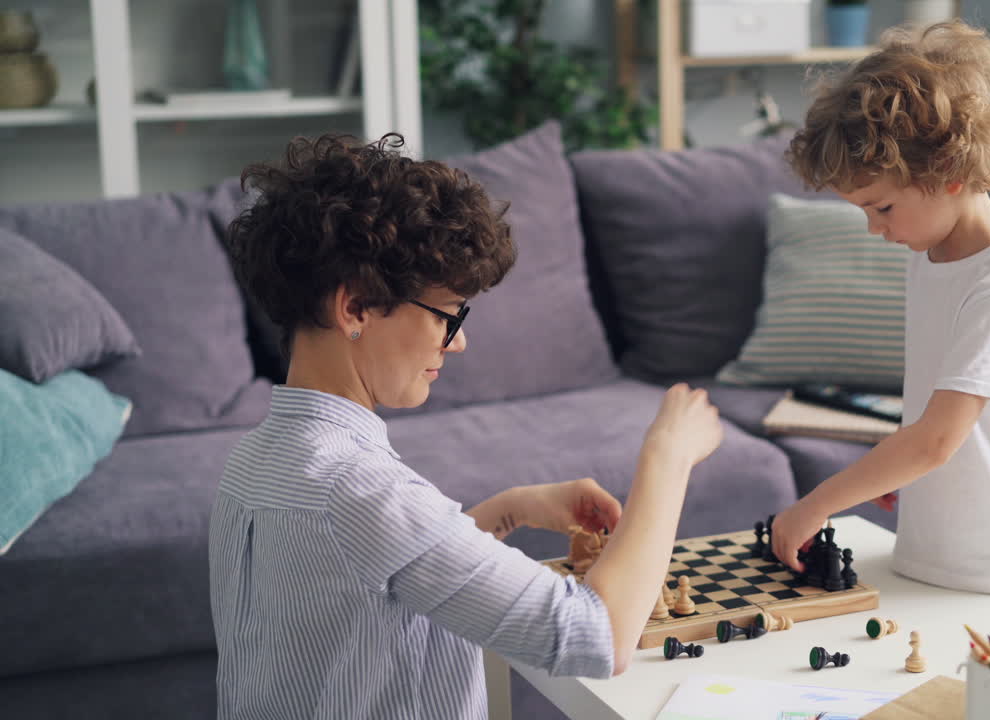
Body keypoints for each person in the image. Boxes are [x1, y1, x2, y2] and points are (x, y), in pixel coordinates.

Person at [209, 133, 723, 719]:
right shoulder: (362, 491)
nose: (458, 343)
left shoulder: (254, 463)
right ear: (353, 309)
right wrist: (668, 455)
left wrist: (505, 510)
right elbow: (596, 638)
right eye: (445, 317)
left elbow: (371, 581)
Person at [770, 21, 990, 617]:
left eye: (882, 207)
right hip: (941, 554)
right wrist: (894, 471)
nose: (875, 228)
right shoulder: (933, 253)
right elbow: (942, 420)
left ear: (950, 172)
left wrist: (819, 503)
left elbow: (936, 440)